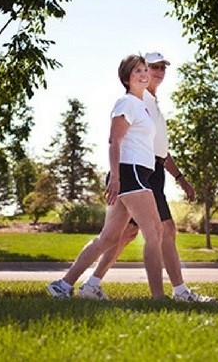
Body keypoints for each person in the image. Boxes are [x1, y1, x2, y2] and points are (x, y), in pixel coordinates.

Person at [76, 52, 214, 302]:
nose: (158, 72)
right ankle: (177, 292)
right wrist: (116, 175)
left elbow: (160, 148)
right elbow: (117, 139)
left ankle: (89, 284)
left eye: (163, 67)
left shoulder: (151, 103)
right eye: (152, 67)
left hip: (152, 171)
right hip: (140, 173)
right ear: (139, 72)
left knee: (125, 235)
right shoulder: (137, 100)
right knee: (164, 230)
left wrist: (180, 177)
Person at [47, 54, 166, 299]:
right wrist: (115, 178)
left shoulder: (141, 104)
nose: (144, 74)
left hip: (135, 173)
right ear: (126, 77)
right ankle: (158, 298)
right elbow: (114, 141)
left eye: (145, 69)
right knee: (155, 231)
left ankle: (63, 285)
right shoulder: (126, 103)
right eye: (137, 71)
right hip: (129, 172)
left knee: (110, 237)